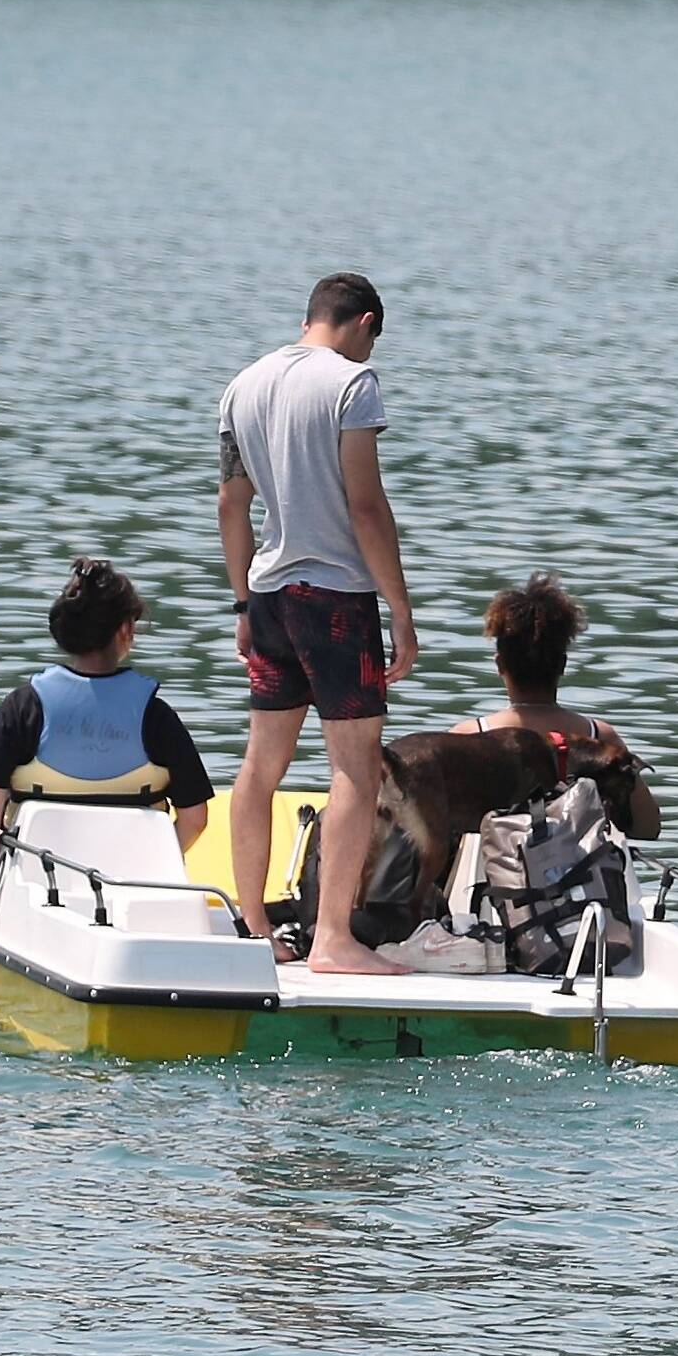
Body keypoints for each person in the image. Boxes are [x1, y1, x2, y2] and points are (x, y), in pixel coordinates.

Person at [216, 269, 420, 975]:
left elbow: (231, 506)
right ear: (364, 321)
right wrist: (399, 605)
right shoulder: (350, 385)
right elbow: (365, 502)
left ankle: (253, 927)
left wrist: (242, 603)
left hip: (270, 593)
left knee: (260, 766)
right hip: (334, 597)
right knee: (356, 770)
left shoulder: (242, 385)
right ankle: (333, 938)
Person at [0, 558, 216, 923]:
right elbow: (195, 818)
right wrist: (157, 862)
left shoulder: (24, 706)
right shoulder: (156, 716)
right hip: (134, 889)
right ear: (126, 631)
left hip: (33, 887)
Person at [459, 571, 633, 766]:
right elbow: (643, 797)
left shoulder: (468, 737)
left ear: (499, 664)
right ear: (562, 665)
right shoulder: (601, 738)